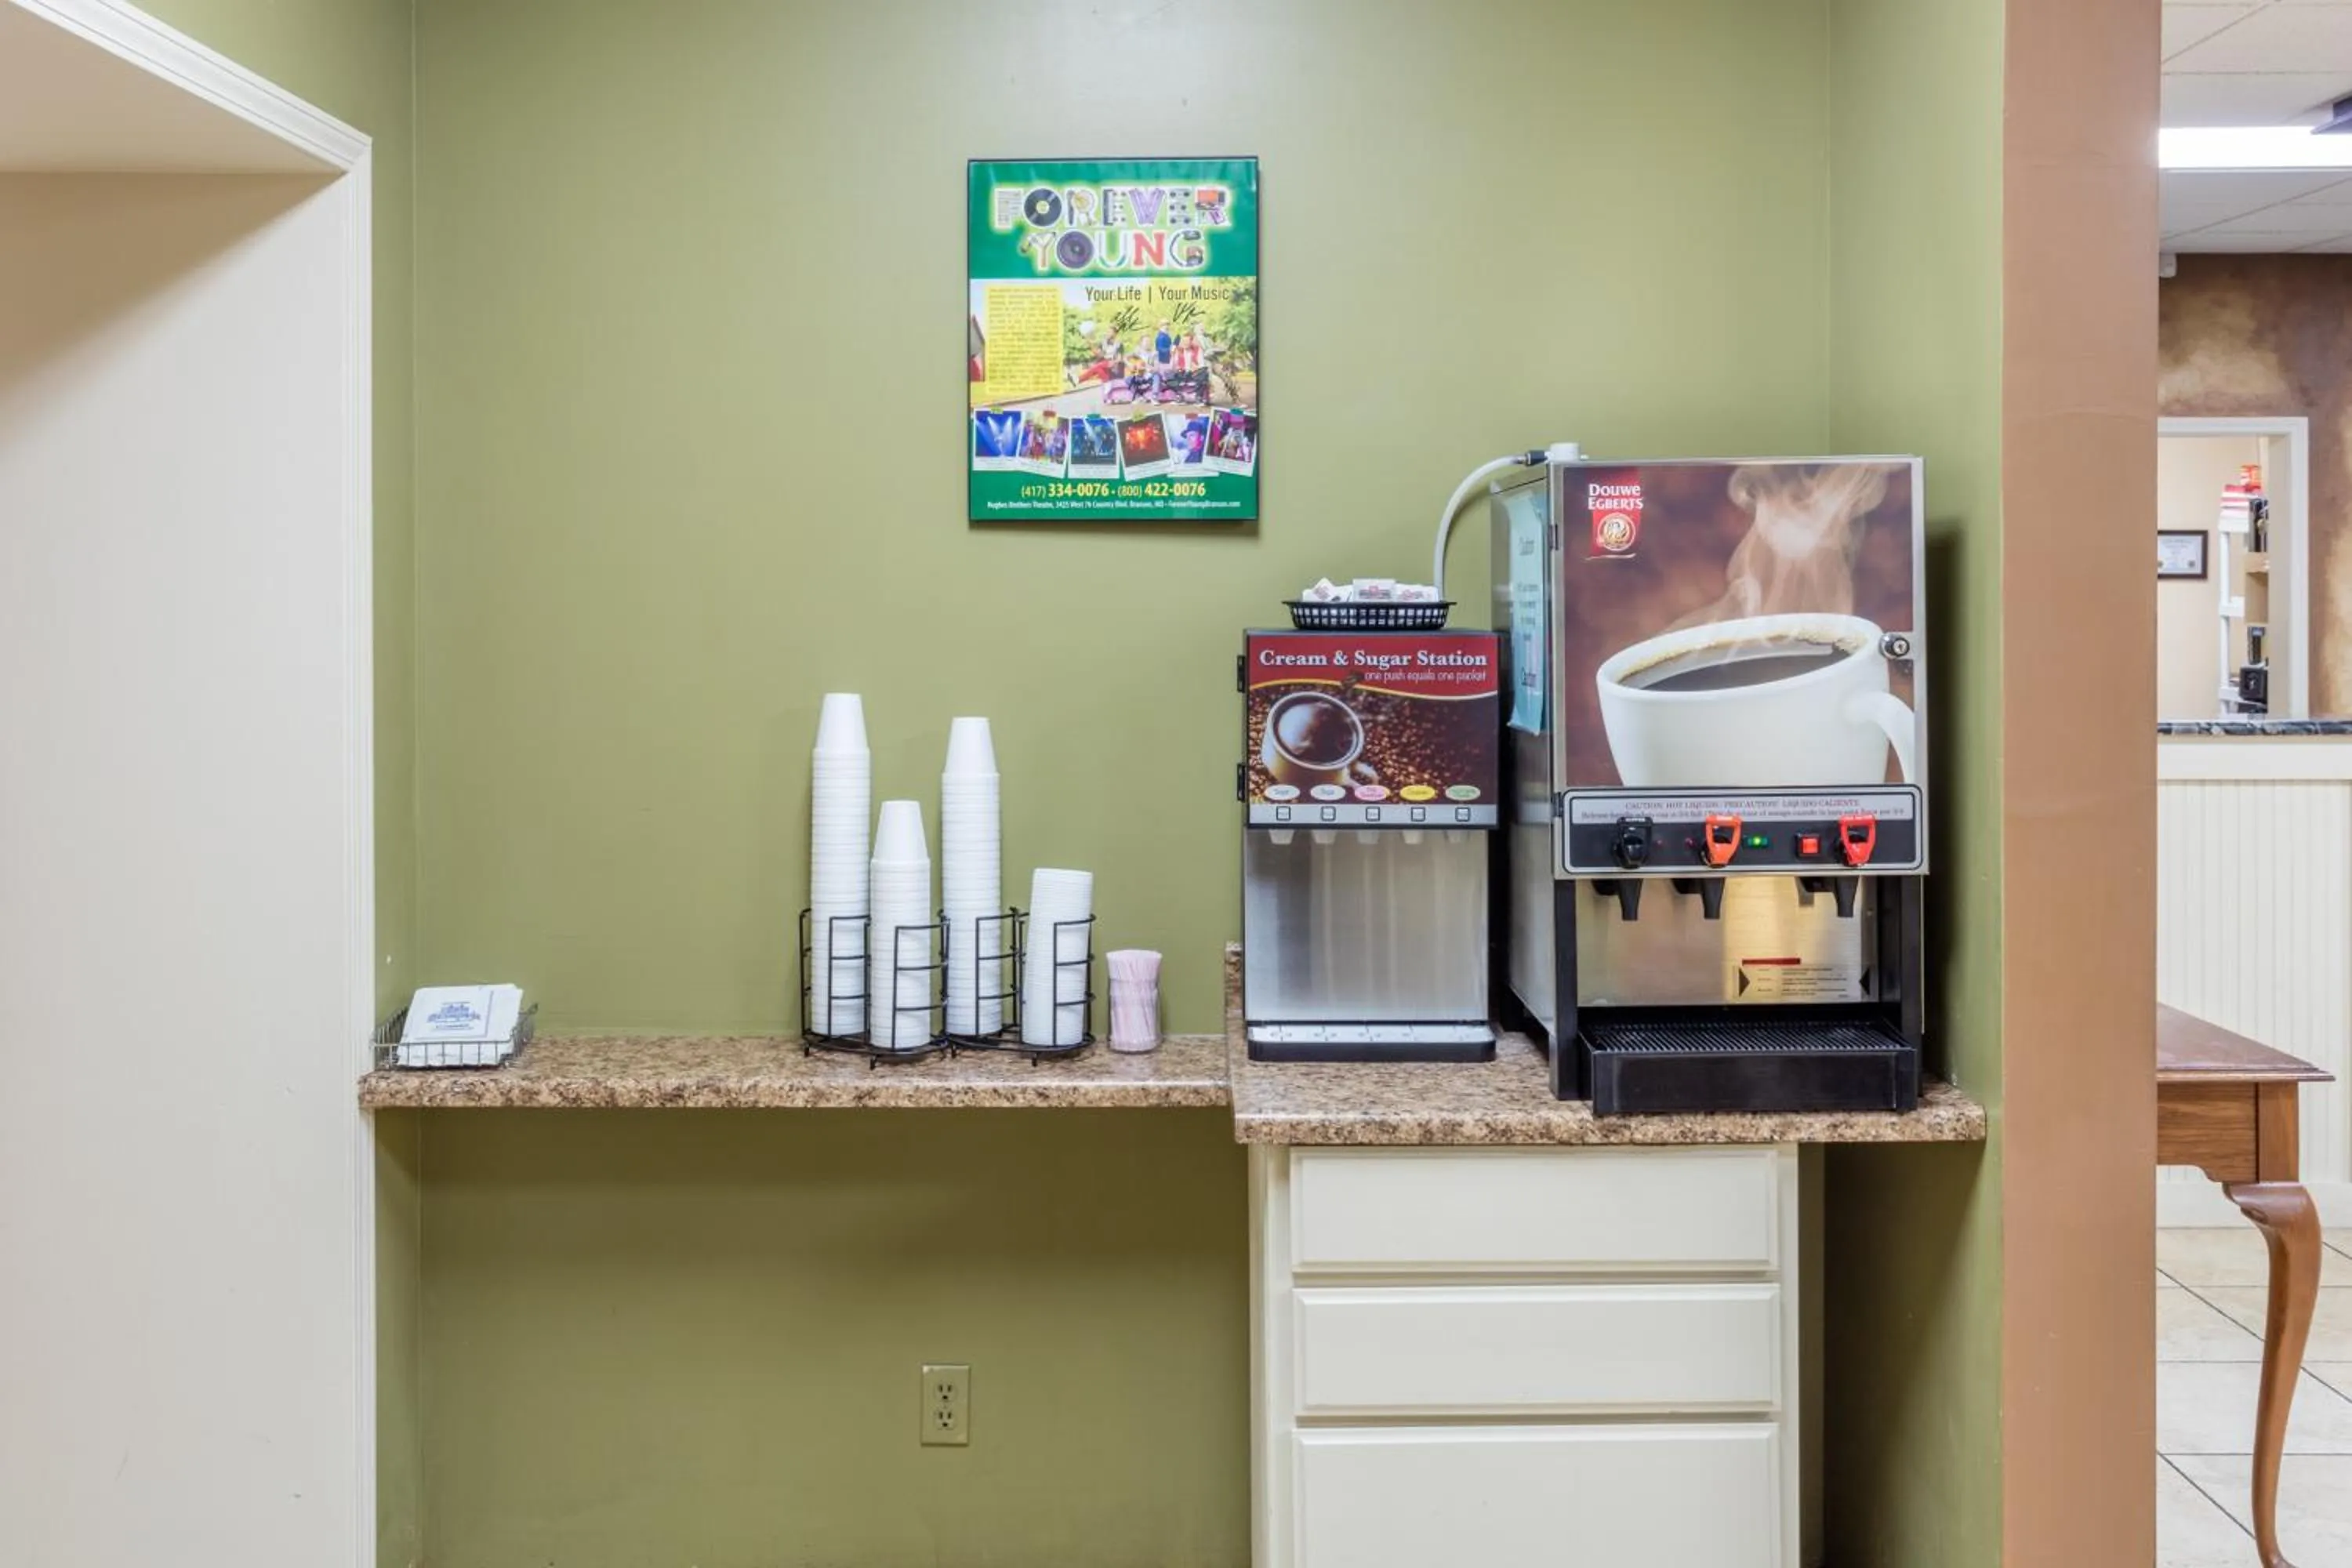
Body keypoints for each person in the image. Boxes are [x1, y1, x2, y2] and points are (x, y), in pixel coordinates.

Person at [1152, 319, 1174, 397]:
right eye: (1165, 325)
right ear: (1161, 326)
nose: (1167, 327)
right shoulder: (1161, 337)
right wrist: (1170, 350)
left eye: (1168, 325)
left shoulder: (1167, 336)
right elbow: (1160, 349)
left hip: (1167, 359)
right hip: (1162, 360)